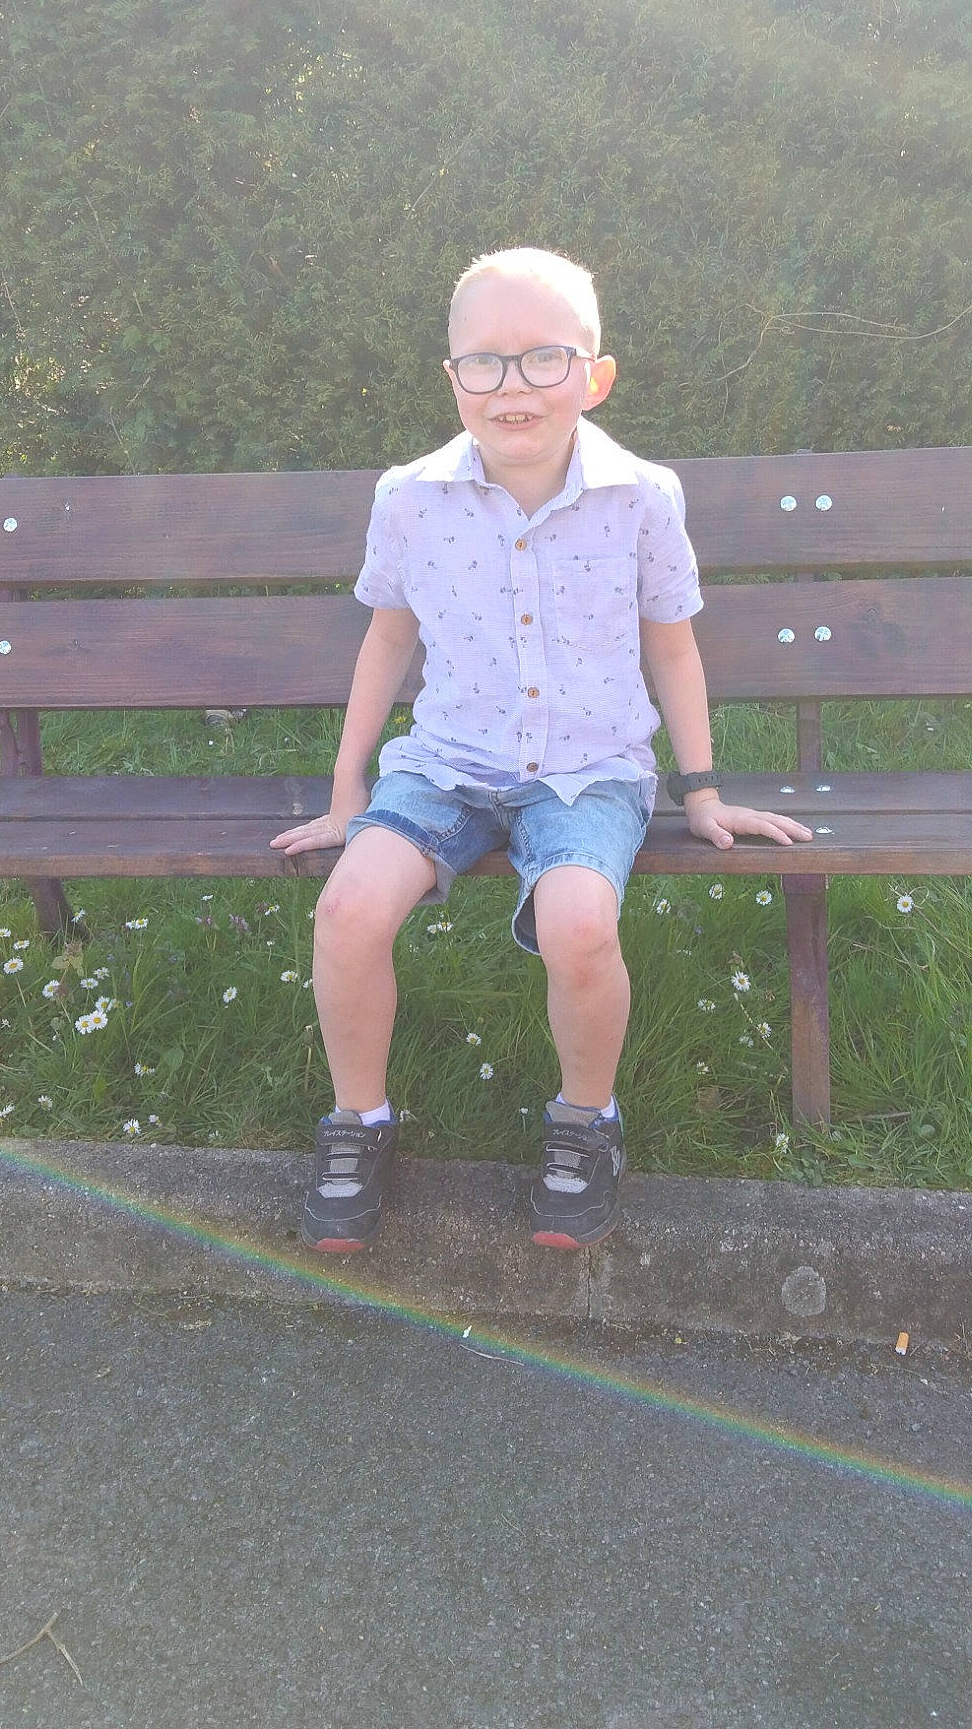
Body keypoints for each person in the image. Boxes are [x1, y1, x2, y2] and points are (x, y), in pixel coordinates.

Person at [270, 247, 812, 1251]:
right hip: (446, 766)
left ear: (594, 377)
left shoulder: (642, 498)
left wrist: (700, 790)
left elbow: (674, 645)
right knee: (346, 904)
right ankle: (360, 1125)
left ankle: (586, 1124)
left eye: (543, 358)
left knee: (578, 925)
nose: (512, 385)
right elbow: (388, 640)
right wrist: (348, 791)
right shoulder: (412, 498)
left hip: (589, 769)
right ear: (451, 379)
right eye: (484, 361)